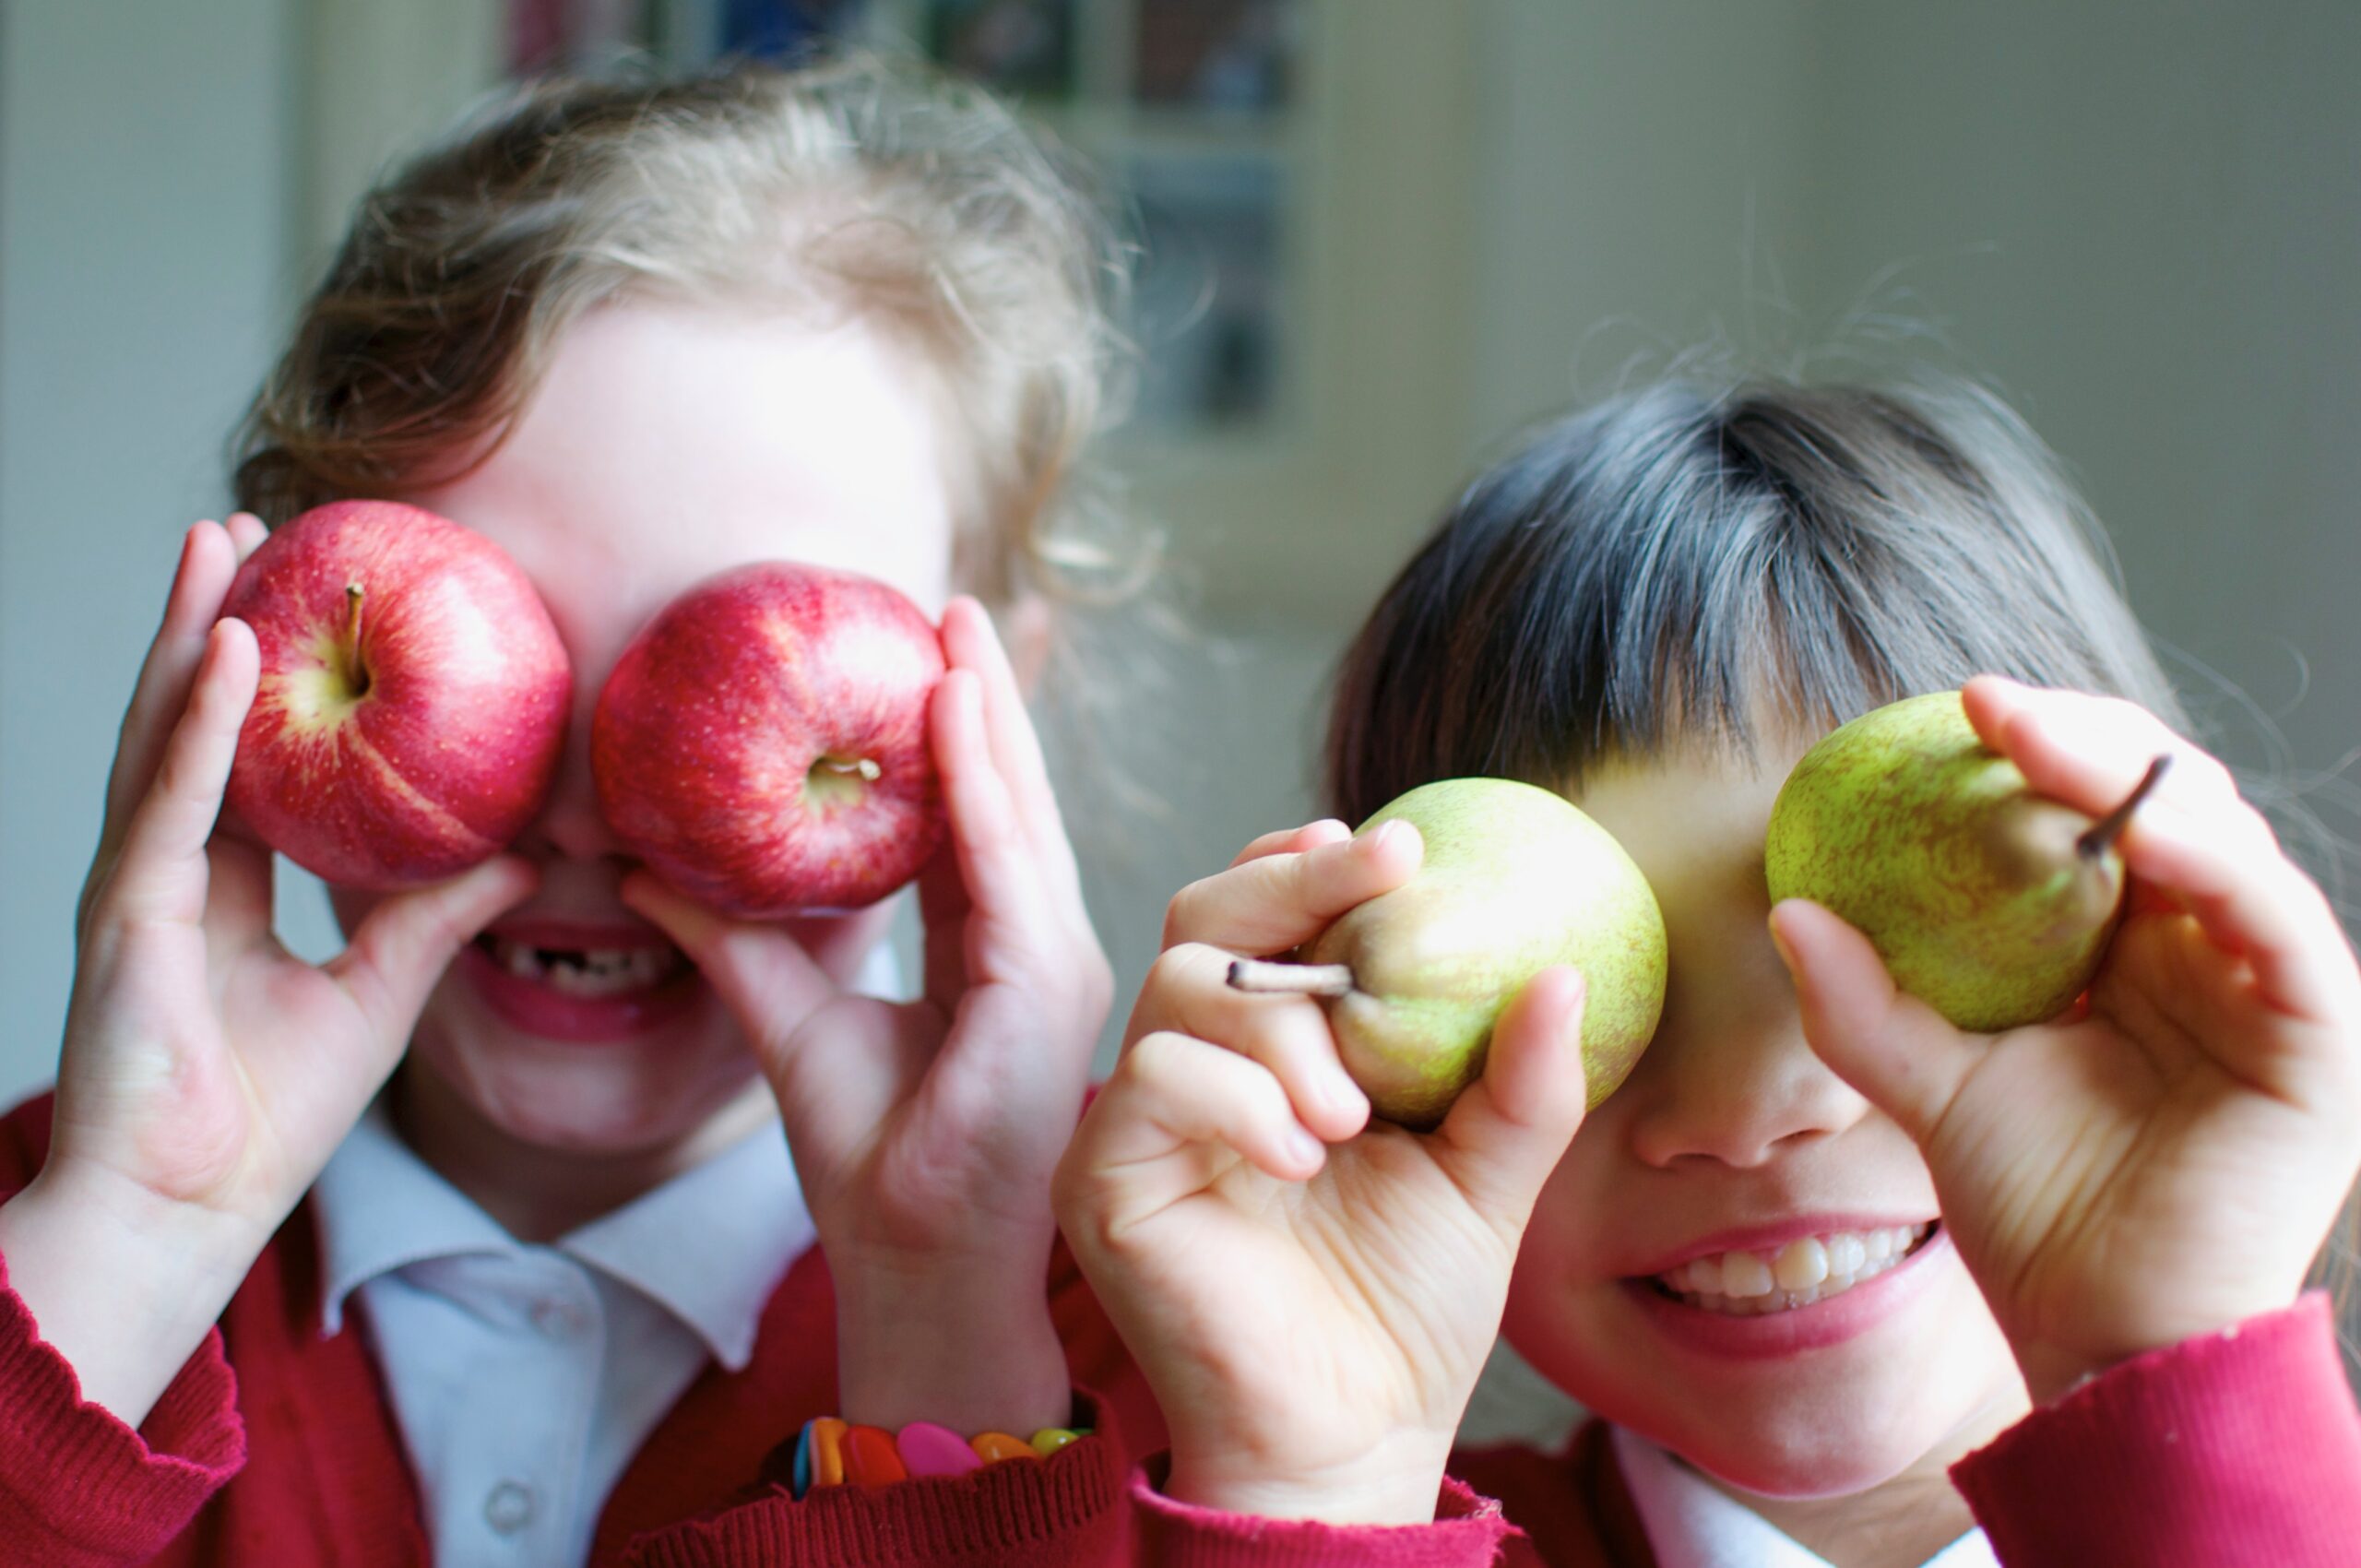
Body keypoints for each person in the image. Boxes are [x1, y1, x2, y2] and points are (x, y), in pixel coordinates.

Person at [0, 58, 1161, 1567]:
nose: (587, 825)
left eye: (718, 680)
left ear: (991, 710)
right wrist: (133, 1250)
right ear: (285, 627)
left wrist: (945, 1313)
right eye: (498, 667)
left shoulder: (1173, 1331)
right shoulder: (53, 1251)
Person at [1054, 375, 2361, 1565]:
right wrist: (1318, 1491)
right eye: (1595, 1006)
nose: (1747, 1113)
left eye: (1897, 957)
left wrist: (2160, 1379)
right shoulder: (1336, 1521)